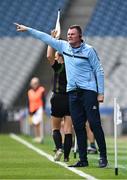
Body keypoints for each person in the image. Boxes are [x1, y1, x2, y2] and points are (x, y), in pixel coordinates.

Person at [14, 23, 108, 168]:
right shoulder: (64, 47)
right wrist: (28, 29)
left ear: (80, 36)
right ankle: (83, 159)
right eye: (68, 34)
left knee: (94, 124)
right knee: (78, 126)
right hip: (72, 93)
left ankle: (103, 157)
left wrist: (100, 92)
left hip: (89, 91)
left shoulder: (89, 51)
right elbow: (45, 37)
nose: (69, 36)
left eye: (72, 34)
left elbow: (99, 71)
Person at [46, 30, 73, 162]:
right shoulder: (72, 67)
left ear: (60, 57)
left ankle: (59, 148)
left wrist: (51, 40)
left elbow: (48, 56)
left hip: (58, 99)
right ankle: (67, 157)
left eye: (57, 56)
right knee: (68, 130)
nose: (55, 58)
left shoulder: (59, 67)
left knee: (55, 128)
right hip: (70, 99)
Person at [28, 77, 45, 143]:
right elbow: (29, 102)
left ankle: (41, 137)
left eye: (35, 83)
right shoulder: (30, 92)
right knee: (35, 123)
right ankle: (37, 136)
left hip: (39, 108)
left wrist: (43, 109)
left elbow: (43, 100)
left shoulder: (41, 89)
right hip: (32, 109)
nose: (34, 85)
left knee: (39, 123)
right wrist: (29, 111)